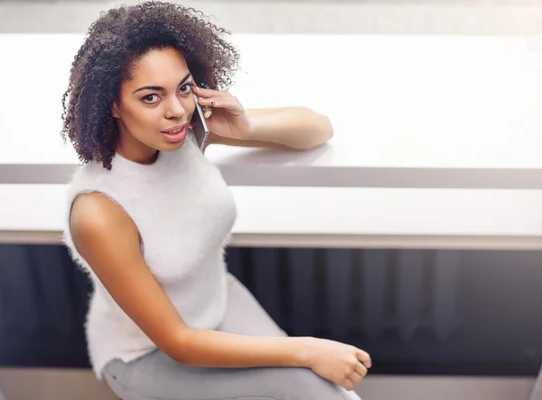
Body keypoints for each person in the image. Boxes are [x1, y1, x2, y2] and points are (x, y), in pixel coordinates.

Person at [60, 2, 371, 399]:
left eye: (184, 88)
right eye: (151, 98)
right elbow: (178, 341)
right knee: (318, 390)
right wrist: (307, 349)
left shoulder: (183, 133)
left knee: (335, 394)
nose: (176, 110)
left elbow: (318, 128)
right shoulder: (99, 211)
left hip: (217, 303)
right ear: (114, 105)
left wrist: (246, 126)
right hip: (149, 354)